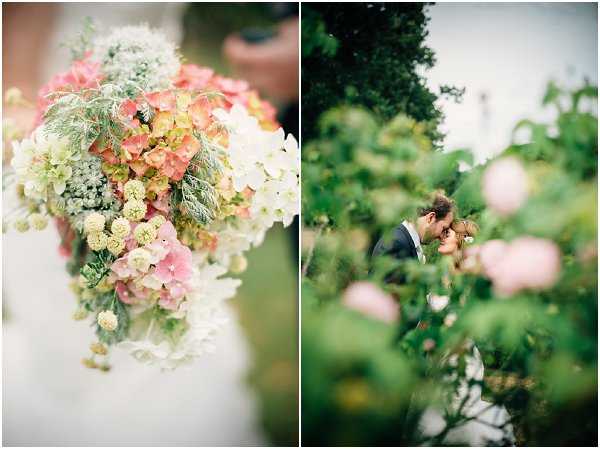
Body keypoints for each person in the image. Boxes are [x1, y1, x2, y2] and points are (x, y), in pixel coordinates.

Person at [421, 219, 516, 446]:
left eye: (449, 232)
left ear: (462, 241)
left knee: (457, 416)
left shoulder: (467, 280)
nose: (442, 236)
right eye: (443, 231)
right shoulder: (435, 274)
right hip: (433, 361)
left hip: (457, 357)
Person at [371, 193, 455, 282]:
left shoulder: (405, 240)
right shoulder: (396, 244)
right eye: (443, 228)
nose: (442, 237)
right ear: (430, 218)